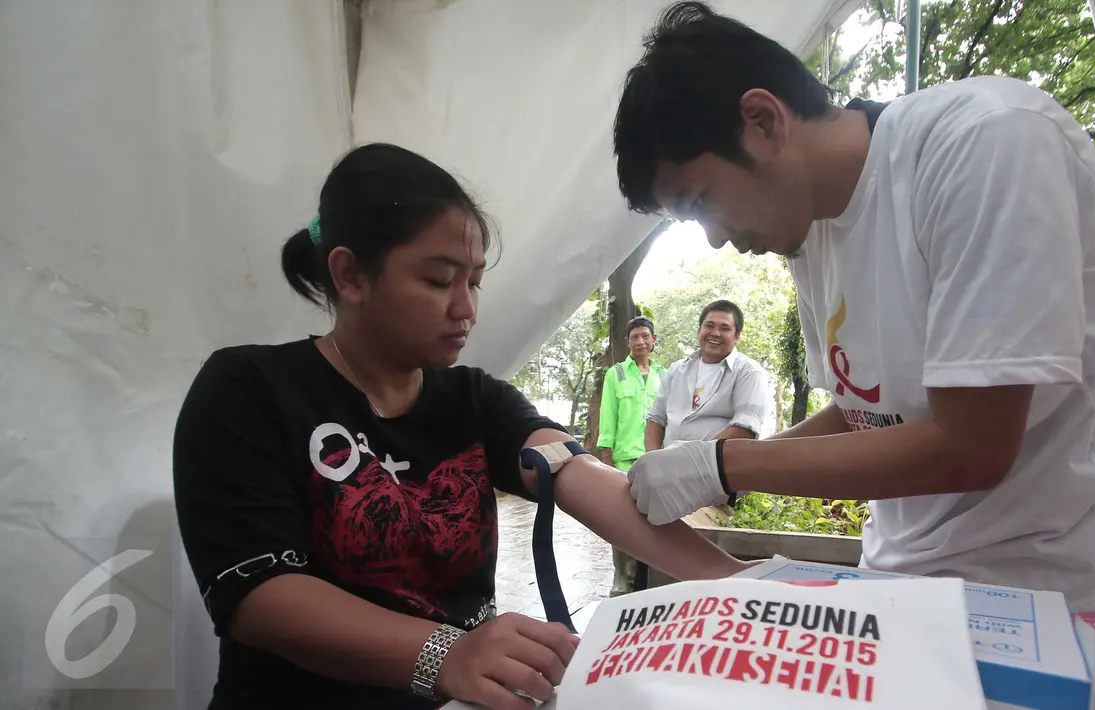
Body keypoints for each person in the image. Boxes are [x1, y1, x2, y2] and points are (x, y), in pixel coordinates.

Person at [609, 2, 1095, 612]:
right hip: (900, 575)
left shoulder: (985, 143)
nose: (717, 238)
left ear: (763, 121)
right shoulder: (808, 229)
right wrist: (709, 466)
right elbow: (863, 412)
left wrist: (723, 466)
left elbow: (972, 448)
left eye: (702, 201)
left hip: (1052, 583)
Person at [173, 143, 749, 710]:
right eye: (437, 280)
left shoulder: (474, 399)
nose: (466, 309)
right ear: (349, 274)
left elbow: (572, 472)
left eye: (472, 281)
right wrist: (445, 653)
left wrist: (742, 586)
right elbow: (260, 599)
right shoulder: (247, 390)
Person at [596, 316, 666, 596]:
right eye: (634, 337)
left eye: (645, 336)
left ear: (653, 340)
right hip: (625, 463)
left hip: (658, 461)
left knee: (656, 524)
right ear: (628, 342)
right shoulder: (616, 374)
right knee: (624, 523)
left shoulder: (665, 374)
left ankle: (648, 584)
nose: (640, 341)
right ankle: (622, 582)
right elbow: (608, 420)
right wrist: (607, 465)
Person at [645, 300, 772, 451]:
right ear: (700, 330)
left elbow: (745, 428)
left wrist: (694, 459)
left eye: (725, 328)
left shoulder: (748, 373)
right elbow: (655, 419)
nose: (715, 333)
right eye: (709, 326)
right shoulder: (676, 371)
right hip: (670, 469)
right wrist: (653, 460)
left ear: (736, 336)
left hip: (718, 470)